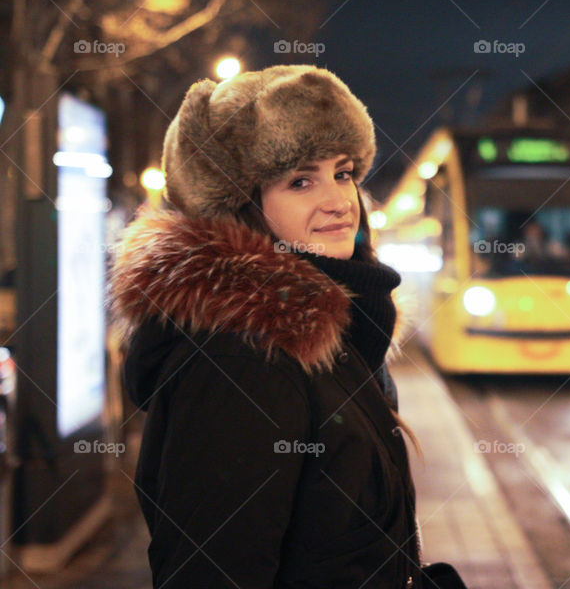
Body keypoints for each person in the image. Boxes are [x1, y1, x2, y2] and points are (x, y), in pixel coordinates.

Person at [109, 65, 426, 588]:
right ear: (239, 205)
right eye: (301, 180)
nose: (338, 201)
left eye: (343, 172)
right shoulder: (241, 363)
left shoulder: (327, 333)